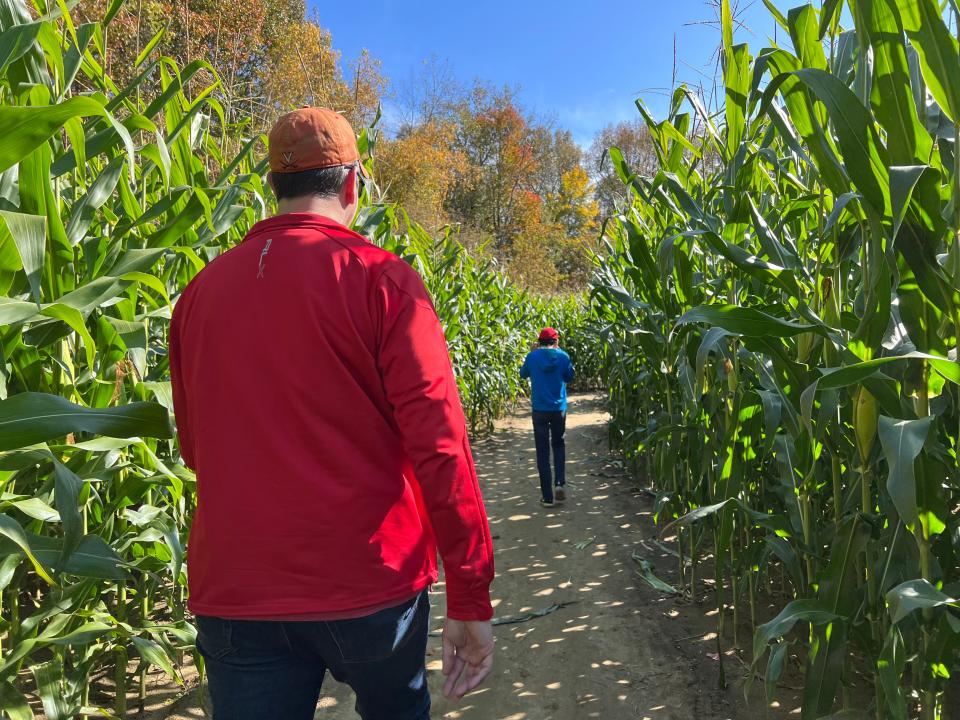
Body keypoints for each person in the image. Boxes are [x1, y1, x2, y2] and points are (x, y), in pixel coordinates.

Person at [168, 107, 495, 720]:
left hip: (238, 588)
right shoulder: (384, 283)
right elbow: (440, 447)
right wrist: (471, 596)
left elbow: (196, 446)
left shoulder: (199, 295)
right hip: (372, 585)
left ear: (273, 188)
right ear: (353, 184)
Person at [519, 327, 574, 508]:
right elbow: (569, 376)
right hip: (559, 409)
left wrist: (533, 354)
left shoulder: (533, 357)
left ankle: (548, 497)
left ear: (539, 341)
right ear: (556, 341)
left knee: (542, 452)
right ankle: (559, 483)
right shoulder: (563, 356)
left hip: (540, 410)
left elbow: (523, 374)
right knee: (558, 445)